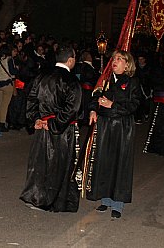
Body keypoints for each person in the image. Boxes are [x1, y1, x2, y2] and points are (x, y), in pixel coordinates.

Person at [20, 44, 81, 212]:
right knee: (60, 164)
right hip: (61, 130)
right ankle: (52, 201)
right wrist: (54, 124)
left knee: (40, 162)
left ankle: (36, 197)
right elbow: (72, 108)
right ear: (70, 60)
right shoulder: (71, 80)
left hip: (43, 127)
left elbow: (31, 98)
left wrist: (36, 119)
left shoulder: (41, 76)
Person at [86, 50, 141, 219]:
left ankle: (118, 202)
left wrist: (113, 105)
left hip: (122, 127)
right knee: (104, 161)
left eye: (119, 59)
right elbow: (94, 97)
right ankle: (105, 199)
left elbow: (135, 105)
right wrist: (93, 110)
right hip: (105, 125)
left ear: (127, 64)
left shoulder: (132, 82)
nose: (115, 61)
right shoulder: (106, 80)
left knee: (120, 162)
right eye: (114, 59)